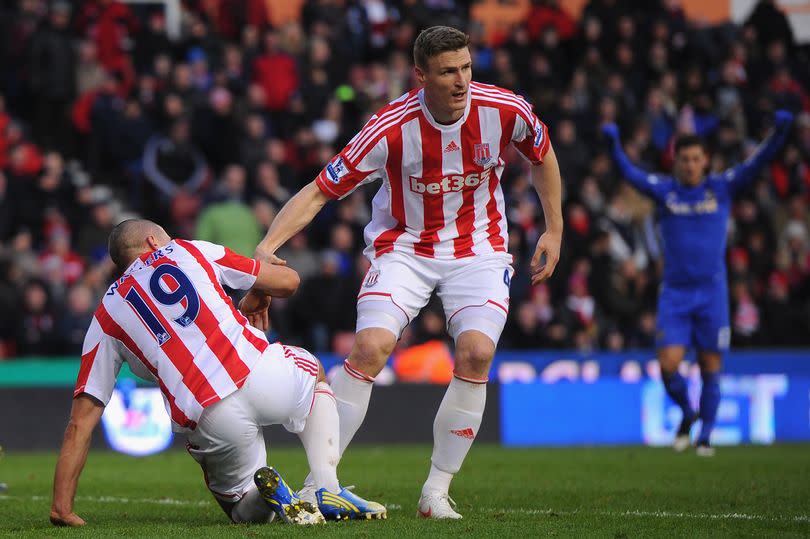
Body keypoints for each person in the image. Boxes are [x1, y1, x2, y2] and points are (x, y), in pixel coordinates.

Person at [243, 26, 563, 518]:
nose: (461, 82)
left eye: (466, 68)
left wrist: (554, 228)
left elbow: (542, 156)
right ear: (420, 76)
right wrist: (267, 245)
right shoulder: (389, 127)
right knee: (370, 347)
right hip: (403, 248)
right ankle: (318, 483)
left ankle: (436, 492)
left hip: (480, 248)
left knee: (477, 354)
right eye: (447, 72)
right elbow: (318, 192)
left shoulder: (505, 109)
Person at [49, 219, 385, 527]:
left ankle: (267, 495)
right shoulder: (188, 249)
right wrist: (258, 292)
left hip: (207, 412)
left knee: (241, 509)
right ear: (154, 241)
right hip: (259, 371)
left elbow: (81, 421)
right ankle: (327, 485)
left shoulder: (106, 313)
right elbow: (289, 281)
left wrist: (61, 507)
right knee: (314, 376)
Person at [602, 110, 794, 456]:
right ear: (675, 162)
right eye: (684, 159)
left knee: (710, 367)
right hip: (675, 294)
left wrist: (778, 135)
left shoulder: (720, 187)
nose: (690, 165)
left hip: (712, 293)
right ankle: (689, 414)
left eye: (695, 159)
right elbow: (630, 174)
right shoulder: (665, 191)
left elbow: (759, 161)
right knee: (668, 365)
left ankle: (705, 436)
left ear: (705, 161)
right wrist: (613, 144)